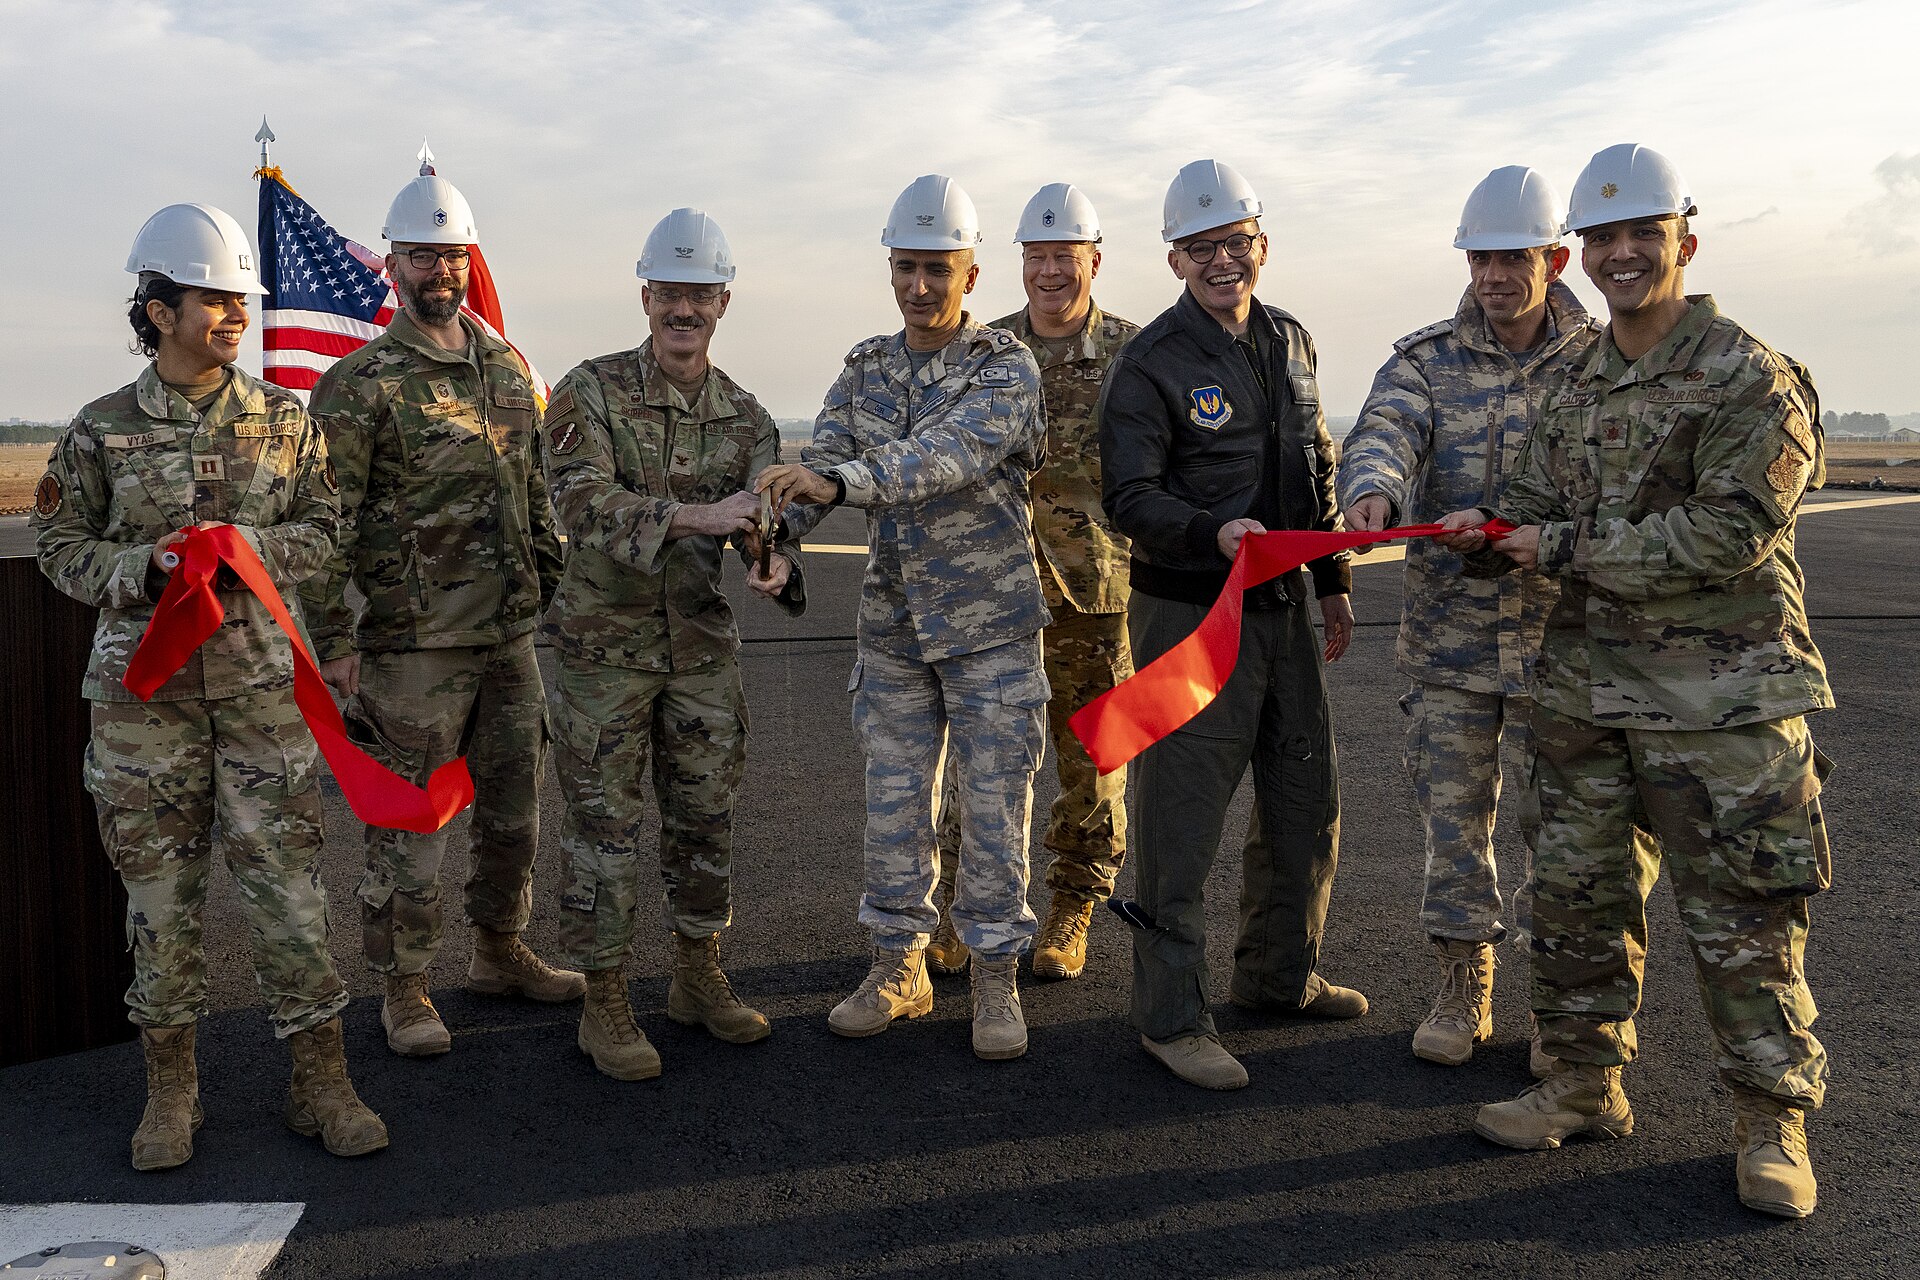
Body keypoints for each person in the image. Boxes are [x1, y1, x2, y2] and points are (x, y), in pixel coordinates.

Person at [1438, 144, 1833, 1220]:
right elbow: (1529, 499)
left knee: (1743, 917)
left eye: (1639, 235)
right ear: (1581, 251)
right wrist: (1487, 531)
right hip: (1585, 695)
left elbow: (1731, 531)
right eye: (1601, 237)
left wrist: (1554, 541)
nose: (1619, 254)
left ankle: (1769, 1118)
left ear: (1683, 242)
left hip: (1725, 701)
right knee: (1575, 899)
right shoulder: (1570, 376)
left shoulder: (1752, 375)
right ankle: (1576, 1079)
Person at [33, 203, 386, 1168]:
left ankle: (322, 1079)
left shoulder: (285, 421)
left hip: (262, 693)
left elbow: (327, 537)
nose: (233, 316)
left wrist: (246, 551)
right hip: (143, 708)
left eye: (240, 301)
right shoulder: (99, 432)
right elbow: (60, 549)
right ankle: (171, 1092)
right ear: (155, 308)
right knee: (159, 900)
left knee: (290, 892)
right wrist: (141, 569)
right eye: (213, 299)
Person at [757, 175, 1050, 1062]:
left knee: (995, 808)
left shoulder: (1004, 366)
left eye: (937, 269)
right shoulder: (867, 366)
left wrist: (838, 483)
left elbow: (944, 456)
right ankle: (898, 964)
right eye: (905, 268)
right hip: (893, 627)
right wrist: (782, 537)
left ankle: (994, 974)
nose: (920, 287)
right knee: (894, 806)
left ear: (969, 271)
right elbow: (831, 457)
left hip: (992, 625)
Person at [302, 161, 578, 1059]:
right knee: (412, 824)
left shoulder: (503, 365)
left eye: (453, 256)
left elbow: (533, 493)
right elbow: (325, 522)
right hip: (410, 646)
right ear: (393, 265)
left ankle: (500, 951)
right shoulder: (360, 384)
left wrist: (554, 589)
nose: (441, 272)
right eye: (422, 257)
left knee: (515, 812)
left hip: (507, 637)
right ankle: (406, 987)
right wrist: (336, 641)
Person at [1098, 159, 1362, 1091]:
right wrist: (1210, 531)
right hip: (1188, 615)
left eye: (1236, 244)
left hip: (1286, 607)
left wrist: (1328, 577)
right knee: (1179, 819)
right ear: (1174, 259)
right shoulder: (1150, 364)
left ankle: (1279, 977)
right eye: (1202, 248)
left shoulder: (1290, 339)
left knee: (1303, 801)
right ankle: (1171, 1018)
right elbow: (1126, 495)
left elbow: (1315, 472)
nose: (1223, 262)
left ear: (1262, 244)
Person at [1337, 166, 1599, 1069]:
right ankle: (1462, 982)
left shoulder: (1599, 364)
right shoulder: (1424, 360)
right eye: (1479, 257)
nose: (1492, 275)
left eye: (1511, 257)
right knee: (1455, 829)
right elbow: (1384, 430)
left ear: (1554, 258)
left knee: (1568, 837)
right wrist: (1371, 489)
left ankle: (1566, 1010)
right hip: (1447, 645)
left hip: (1562, 646)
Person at [542, 208, 805, 1081]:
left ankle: (697, 974)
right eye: (670, 293)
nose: (683, 309)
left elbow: (763, 523)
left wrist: (772, 558)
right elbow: (579, 504)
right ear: (646, 295)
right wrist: (699, 515)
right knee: (603, 830)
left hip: (698, 656)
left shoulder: (747, 418)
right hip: (603, 660)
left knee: (704, 821)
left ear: (723, 302)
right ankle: (605, 999)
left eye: (700, 294)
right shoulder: (588, 391)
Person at [926, 182, 1139, 983]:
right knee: (982, 762)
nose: (1051, 273)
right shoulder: (982, 352)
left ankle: (1072, 906)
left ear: (1094, 261)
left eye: (1066, 257)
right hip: (995, 595)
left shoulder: (1135, 354)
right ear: (1020, 263)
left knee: (1094, 761)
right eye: (1037, 257)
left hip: (1099, 595)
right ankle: (959, 912)